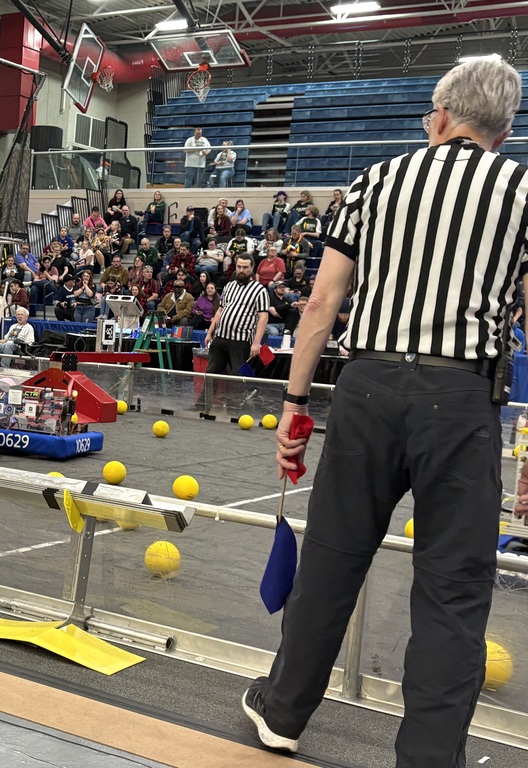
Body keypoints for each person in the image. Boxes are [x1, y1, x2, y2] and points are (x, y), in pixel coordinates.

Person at [243, 59, 528, 767]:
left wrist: (295, 404)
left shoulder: (379, 179)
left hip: (367, 388)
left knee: (333, 561)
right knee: (454, 590)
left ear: (439, 115)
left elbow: (320, 304)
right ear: (506, 126)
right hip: (462, 399)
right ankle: (429, 757)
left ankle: (282, 712)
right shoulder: (522, 188)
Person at [204, 253, 268, 375]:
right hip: (220, 337)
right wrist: (210, 332)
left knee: (238, 376)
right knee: (211, 372)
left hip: (241, 341)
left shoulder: (260, 290)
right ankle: (206, 395)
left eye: (245, 267)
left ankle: (240, 395)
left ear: (252, 268)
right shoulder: (229, 286)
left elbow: (263, 317)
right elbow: (220, 311)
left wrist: (256, 343)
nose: (241, 270)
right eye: (239, 267)